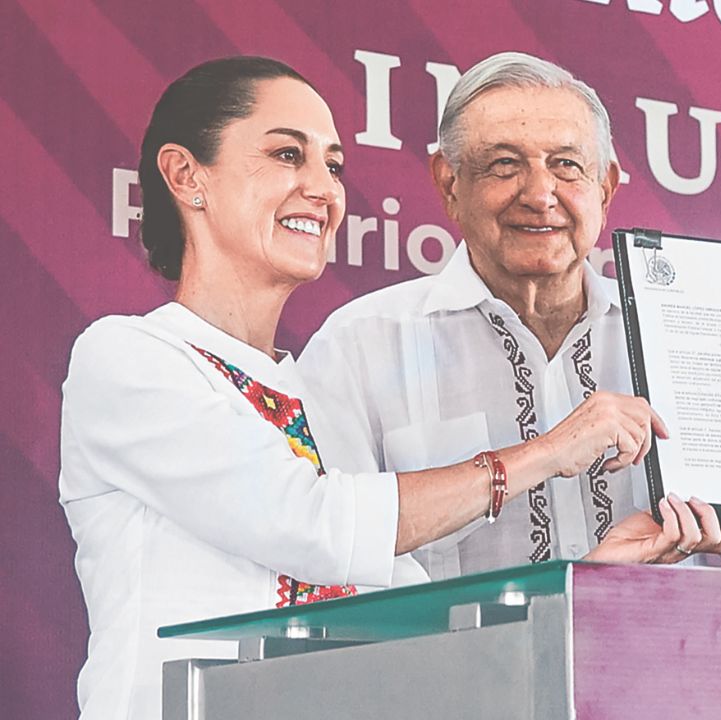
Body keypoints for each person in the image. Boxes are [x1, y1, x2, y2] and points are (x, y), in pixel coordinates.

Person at [59, 56, 685, 720]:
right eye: (286, 155)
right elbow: (312, 523)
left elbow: (413, 614)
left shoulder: (309, 391)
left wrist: (590, 576)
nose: (321, 189)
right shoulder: (129, 357)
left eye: (331, 166)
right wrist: (546, 453)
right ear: (187, 175)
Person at [298, 52, 721, 578]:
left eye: (567, 165)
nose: (539, 194)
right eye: (504, 164)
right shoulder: (357, 349)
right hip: (456, 665)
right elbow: (331, 563)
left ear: (605, 188)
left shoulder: (687, 336)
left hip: (669, 659)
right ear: (449, 183)